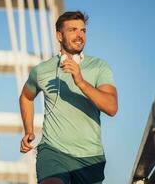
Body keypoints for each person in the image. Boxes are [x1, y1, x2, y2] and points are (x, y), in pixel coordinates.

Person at [19, 11, 118, 184]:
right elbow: (26, 97)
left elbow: (111, 107)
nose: (80, 35)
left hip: (90, 157)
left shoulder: (99, 67)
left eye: (83, 31)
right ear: (59, 35)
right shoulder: (42, 70)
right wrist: (28, 131)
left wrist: (80, 82)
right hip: (53, 151)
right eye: (73, 30)